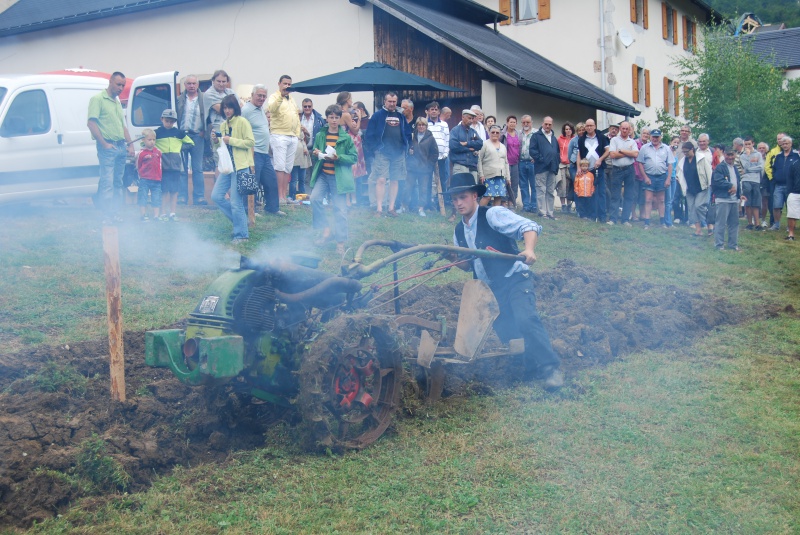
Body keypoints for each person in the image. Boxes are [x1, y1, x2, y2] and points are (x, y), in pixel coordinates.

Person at [448, 172, 563, 389]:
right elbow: (468, 265)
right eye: (454, 199)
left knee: (525, 319)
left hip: (514, 277)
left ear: (474, 196)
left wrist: (529, 249)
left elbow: (528, 227)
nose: (458, 203)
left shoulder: (493, 214)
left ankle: (550, 369)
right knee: (506, 330)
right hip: (491, 288)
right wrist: (454, 259)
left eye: (462, 197)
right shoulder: (459, 231)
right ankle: (529, 368)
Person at [87, 71, 134, 224]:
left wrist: (130, 144)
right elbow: (91, 123)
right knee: (107, 181)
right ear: (110, 82)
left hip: (121, 146)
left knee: (118, 182)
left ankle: (114, 213)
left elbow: (123, 126)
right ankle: (106, 214)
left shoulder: (117, 102)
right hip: (107, 147)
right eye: (118, 84)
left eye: (123, 85)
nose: (121, 88)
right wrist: (104, 144)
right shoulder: (98, 99)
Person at [310, 105, 357, 255]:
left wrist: (339, 157)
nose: (334, 120)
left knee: (340, 210)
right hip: (323, 175)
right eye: (331, 117)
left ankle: (340, 243)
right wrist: (316, 152)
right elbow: (316, 151)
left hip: (338, 178)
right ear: (327, 118)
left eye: (337, 117)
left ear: (340, 119)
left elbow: (353, 157)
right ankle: (326, 230)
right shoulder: (320, 135)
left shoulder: (345, 137)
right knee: (315, 198)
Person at [211, 95, 254, 244]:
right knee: (216, 196)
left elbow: (250, 142)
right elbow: (221, 147)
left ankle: (242, 235)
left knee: (236, 202)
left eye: (229, 107)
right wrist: (216, 141)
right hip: (227, 167)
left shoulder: (243, 122)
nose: (227, 110)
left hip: (241, 167)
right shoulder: (223, 125)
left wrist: (232, 141)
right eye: (225, 108)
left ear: (235, 108)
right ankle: (240, 223)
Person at [364, 91, 412, 217]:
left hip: (398, 153)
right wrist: (375, 148)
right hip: (382, 152)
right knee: (380, 180)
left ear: (397, 102)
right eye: (389, 101)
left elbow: (407, 132)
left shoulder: (401, 116)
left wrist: (405, 146)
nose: (392, 104)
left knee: (395, 180)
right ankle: (379, 208)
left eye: (394, 101)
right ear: (385, 102)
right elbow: (369, 134)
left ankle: (391, 208)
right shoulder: (377, 115)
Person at [243, 85, 283, 217]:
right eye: (259, 95)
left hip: (264, 153)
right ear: (252, 95)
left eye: (264, 96)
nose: (261, 98)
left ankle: (272, 208)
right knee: (253, 182)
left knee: (271, 181)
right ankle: (250, 210)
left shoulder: (260, 109)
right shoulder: (246, 110)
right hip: (253, 152)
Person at [155, 109, 194, 222]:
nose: (169, 124)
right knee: (164, 190)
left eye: (171, 122)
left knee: (174, 190)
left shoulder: (179, 133)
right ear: (162, 119)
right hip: (163, 166)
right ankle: (162, 212)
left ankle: (172, 212)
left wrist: (179, 148)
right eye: (167, 121)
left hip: (176, 166)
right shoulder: (157, 133)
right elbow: (146, 142)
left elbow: (191, 143)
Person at [268, 75, 301, 204]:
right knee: (280, 166)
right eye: (285, 83)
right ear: (279, 84)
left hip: (293, 136)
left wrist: (297, 134)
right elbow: (272, 109)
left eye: (289, 84)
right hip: (279, 135)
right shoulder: (274, 97)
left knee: (288, 167)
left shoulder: (292, 99)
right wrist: (281, 96)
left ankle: (284, 195)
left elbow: (296, 117)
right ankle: (279, 196)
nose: (287, 86)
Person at [176, 75, 207, 205]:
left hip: (197, 136)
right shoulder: (179, 99)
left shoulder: (204, 99)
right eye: (189, 83)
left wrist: (203, 132)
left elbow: (208, 116)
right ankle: (182, 197)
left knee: (197, 168)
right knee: (182, 168)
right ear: (185, 85)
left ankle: (199, 197)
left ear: (197, 84)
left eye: (194, 83)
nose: (191, 86)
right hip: (182, 136)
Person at [635, 128, 673, 229]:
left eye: (657, 137)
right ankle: (647, 222)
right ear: (650, 137)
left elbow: (670, 164)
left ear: (660, 137)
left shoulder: (666, 148)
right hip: (649, 176)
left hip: (661, 176)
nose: (655, 139)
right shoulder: (645, 148)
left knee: (661, 200)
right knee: (648, 199)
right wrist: (645, 177)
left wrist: (668, 178)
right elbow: (640, 163)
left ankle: (662, 222)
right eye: (653, 137)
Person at [711, 147, 745, 251]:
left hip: (734, 200)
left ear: (735, 155)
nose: (730, 157)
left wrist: (740, 195)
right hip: (723, 199)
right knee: (721, 223)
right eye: (728, 155)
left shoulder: (735, 167)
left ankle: (733, 245)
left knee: (734, 223)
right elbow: (717, 181)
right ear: (724, 155)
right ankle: (719, 245)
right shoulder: (720, 167)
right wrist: (730, 185)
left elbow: (738, 182)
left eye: (732, 155)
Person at [203, 70, 236, 178]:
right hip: (217, 127)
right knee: (220, 158)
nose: (221, 84)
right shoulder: (209, 94)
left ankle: (230, 190)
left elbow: (240, 106)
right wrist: (233, 106)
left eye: (224, 81)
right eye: (219, 81)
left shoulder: (230, 91)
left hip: (233, 126)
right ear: (213, 81)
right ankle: (221, 191)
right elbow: (221, 110)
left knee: (231, 158)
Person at [676, 142, 712, 237]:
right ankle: (698, 230)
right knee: (692, 209)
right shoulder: (683, 161)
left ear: (692, 149)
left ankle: (710, 225)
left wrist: (710, 184)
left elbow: (709, 172)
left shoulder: (702, 158)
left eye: (687, 151)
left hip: (702, 187)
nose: (685, 153)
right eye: (684, 152)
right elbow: (680, 174)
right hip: (689, 189)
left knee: (699, 206)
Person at [577, 118, 610, 222]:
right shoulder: (581, 139)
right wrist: (578, 167)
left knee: (601, 192)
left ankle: (602, 216)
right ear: (585, 127)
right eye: (587, 126)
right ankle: (591, 215)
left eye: (591, 125)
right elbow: (578, 155)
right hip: (587, 170)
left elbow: (608, 151)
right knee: (589, 193)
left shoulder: (601, 137)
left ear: (595, 126)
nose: (589, 127)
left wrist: (600, 159)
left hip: (599, 169)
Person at [607, 121, 639, 225]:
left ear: (629, 130)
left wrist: (621, 151)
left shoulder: (632, 142)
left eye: (627, 129)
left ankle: (625, 219)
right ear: (620, 129)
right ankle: (613, 219)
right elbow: (612, 155)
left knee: (629, 195)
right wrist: (628, 153)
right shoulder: (614, 140)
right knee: (615, 194)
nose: (625, 130)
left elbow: (635, 154)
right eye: (623, 128)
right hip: (617, 169)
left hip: (629, 169)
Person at [406, 117, 439, 216]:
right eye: (419, 125)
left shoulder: (430, 138)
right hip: (412, 168)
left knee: (423, 189)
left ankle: (421, 208)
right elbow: (406, 149)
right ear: (416, 126)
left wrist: (428, 164)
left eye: (423, 125)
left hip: (424, 169)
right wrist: (409, 152)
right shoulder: (412, 137)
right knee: (407, 187)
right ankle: (404, 206)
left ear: (426, 126)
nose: (421, 127)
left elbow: (435, 154)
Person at [530, 116, 560, 220]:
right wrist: (542, 159)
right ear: (542, 124)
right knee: (541, 190)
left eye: (549, 124)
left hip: (552, 168)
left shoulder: (554, 138)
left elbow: (557, 153)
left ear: (552, 125)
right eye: (546, 124)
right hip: (541, 168)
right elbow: (532, 150)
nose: (547, 126)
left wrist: (556, 163)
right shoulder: (536, 136)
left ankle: (550, 213)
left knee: (550, 191)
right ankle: (542, 213)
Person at [770, 135, 799, 231]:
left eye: (787, 143)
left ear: (791, 144)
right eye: (783, 144)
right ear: (781, 145)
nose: (785, 145)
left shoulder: (796, 155)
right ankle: (776, 224)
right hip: (778, 185)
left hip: (791, 186)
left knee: (790, 207)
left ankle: (789, 226)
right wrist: (775, 178)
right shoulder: (778, 156)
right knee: (776, 205)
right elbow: (774, 169)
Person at [477, 124, 511, 207]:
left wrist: (508, 177)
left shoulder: (503, 146)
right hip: (488, 175)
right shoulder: (485, 144)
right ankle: (478, 215)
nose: (495, 134)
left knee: (498, 196)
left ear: (500, 134)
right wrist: (481, 175)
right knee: (487, 197)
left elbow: (506, 162)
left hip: (501, 175)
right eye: (493, 132)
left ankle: (494, 216)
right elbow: (479, 160)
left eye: (497, 132)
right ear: (489, 133)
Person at [426, 101, 450, 212]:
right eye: (432, 109)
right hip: (428, 158)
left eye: (436, 109)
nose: (434, 111)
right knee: (428, 181)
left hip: (441, 158)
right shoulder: (425, 124)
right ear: (428, 111)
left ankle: (441, 203)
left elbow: (447, 141)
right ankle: (429, 204)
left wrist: (445, 154)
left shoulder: (444, 125)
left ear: (439, 111)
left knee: (442, 180)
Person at [136, 128, 162, 222]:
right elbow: (138, 165)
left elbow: (160, 165)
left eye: (154, 140)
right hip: (145, 179)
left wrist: (159, 176)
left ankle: (156, 216)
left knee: (156, 197)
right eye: (149, 140)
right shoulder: (141, 153)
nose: (152, 142)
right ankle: (143, 215)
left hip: (156, 179)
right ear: (143, 140)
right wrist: (141, 175)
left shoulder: (158, 152)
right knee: (143, 197)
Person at [448, 109, 483, 179]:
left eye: (472, 119)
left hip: (473, 165)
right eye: (469, 118)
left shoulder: (473, 132)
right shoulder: (455, 131)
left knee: (473, 189)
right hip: (460, 164)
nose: (471, 120)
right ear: (463, 117)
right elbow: (453, 146)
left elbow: (480, 144)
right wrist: (469, 149)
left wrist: (466, 143)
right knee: (462, 188)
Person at [740, 136, 763, 230]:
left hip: (756, 180)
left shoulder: (758, 154)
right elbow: (745, 166)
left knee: (756, 202)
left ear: (753, 143)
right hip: (746, 180)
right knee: (748, 202)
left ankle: (757, 223)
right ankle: (750, 223)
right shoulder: (742, 155)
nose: (748, 146)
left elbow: (761, 167)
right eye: (746, 144)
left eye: (749, 144)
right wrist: (748, 156)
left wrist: (749, 170)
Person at [518, 115, 537, 213]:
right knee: (523, 185)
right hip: (521, 162)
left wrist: (536, 157)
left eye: (527, 122)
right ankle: (526, 206)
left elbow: (540, 147)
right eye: (524, 122)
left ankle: (534, 206)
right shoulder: (518, 133)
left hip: (532, 163)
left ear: (531, 122)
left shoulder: (536, 133)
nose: (525, 124)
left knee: (534, 185)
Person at [502, 116, 521, 210]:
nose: (512, 124)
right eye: (511, 122)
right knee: (506, 183)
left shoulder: (518, 134)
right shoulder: (503, 134)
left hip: (516, 163)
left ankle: (511, 203)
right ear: (507, 123)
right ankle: (504, 202)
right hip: (506, 163)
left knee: (514, 184)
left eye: (514, 122)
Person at [556, 122, 575, 214]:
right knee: (562, 186)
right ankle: (563, 206)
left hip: (571, 165)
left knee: (570, 186)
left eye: (569, 129)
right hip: (562, 165)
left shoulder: (574, 139)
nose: (568, 131)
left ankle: (569, 205)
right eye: (566, 129)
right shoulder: (559, 139)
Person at [567, 122, 585, 213]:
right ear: (577, 131)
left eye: (583, 130)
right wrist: (573, 162)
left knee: (584, 187)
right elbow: (569, 153)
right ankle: (578, 209)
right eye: (579, 130)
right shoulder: (574, 140)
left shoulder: (587, 139)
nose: (581, 132)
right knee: (577, 187)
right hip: (574, 166)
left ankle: (584, 208)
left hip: (585, 166)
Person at [785, 153, 800, 241]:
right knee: (791, 214)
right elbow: (789, 178)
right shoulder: (794, 164)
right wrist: (790, 191)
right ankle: (791, 234)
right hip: (794, 192)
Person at [758, 141, 771, 228]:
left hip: (765, 182)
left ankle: (763, 220)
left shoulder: (769, 158)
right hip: (755, 181)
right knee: (754, 201)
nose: (762, 149)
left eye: (763, 148)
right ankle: (753, 219)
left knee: (764, 202)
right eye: (760, 148)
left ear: (766, 149)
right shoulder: (754, 157)